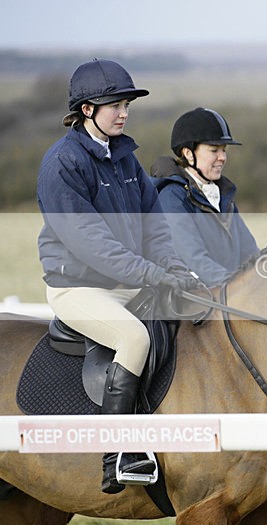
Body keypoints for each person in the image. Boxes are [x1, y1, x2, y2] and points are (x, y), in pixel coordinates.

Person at [36, 58, 197, 494]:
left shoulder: (125, 157)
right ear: (87, 109)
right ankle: (119, 453)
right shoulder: (62, 164)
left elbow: (154, 225)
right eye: (115, 105)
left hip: (126, 282)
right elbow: (94, 245)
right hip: (78, 287)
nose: (124, 112)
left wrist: (176, 269)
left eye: (126, 104)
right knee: (134, 339)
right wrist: (152, 274)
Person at [150, 107, 258, 287]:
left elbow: (251, 254)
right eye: (214, 150)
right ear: (187, 153)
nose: (222, 157)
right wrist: (238, 288)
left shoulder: (224, 197)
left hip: (229, 299)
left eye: (224, 150)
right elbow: (194, 259)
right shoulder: (172, 197)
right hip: (194, 303)